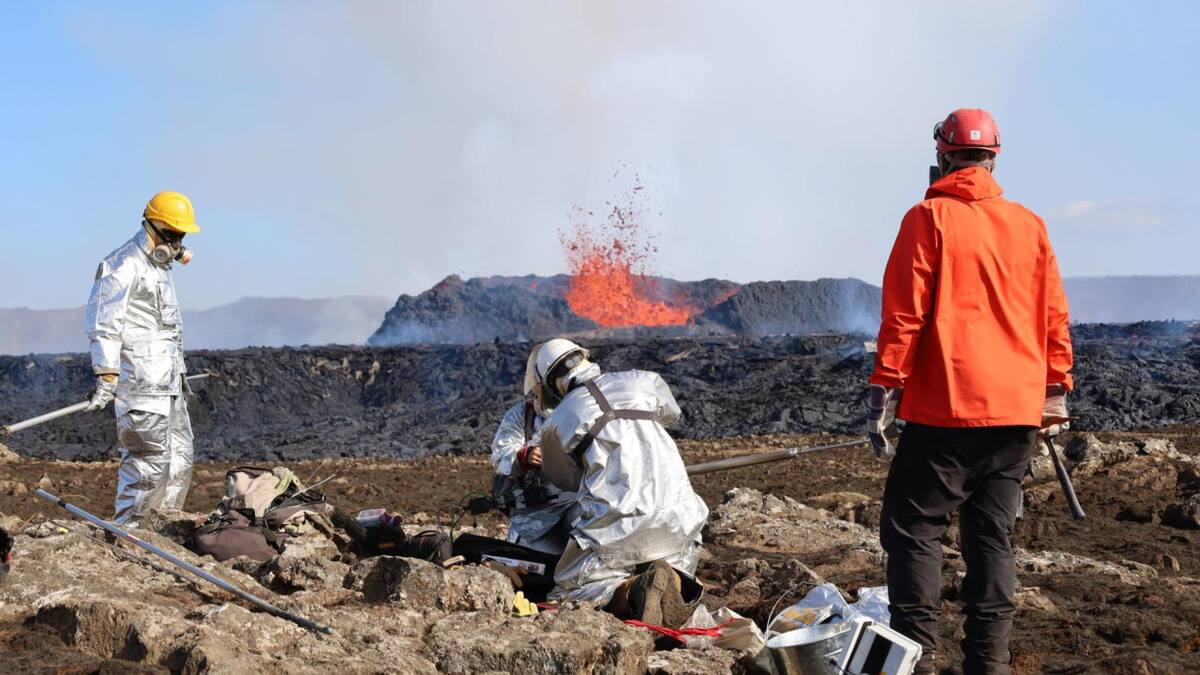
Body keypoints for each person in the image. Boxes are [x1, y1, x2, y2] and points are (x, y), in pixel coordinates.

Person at [868, 108, 1073, 675]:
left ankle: (919, 657)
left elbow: (904, 314)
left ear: (942, 154)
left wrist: (885, 387)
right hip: (1016, 413)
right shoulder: (1029, 224)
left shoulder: (927, 217)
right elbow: (1054, 313)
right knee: (992, 535)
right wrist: (1056, 388)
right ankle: (990, 663)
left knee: (913, 529)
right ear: (994, 156)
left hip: (945, 411)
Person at [532, 338, 708, 627]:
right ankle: (672, 579)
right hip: (682, 521)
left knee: (568, 592)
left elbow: (565, 480)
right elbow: (672, 414)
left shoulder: (559, 419)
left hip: (619, 528)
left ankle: (630, 590)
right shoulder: (644, 380)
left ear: (553, 383)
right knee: (671, 556)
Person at [85, 191, 201, 526]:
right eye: (174, 235)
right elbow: (104, 323)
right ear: (154, 227)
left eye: (182, 236)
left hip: (168, 385)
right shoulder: (122, 265)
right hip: (140, 387)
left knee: (178, 459)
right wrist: (106, 374)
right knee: (147, 468)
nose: (178, 243)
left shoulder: (160, 268)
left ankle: (163, 532)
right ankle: (131, 538)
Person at [487, 344, 575, 555]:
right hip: (532, 520)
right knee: (532, 567)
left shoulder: (582, 414)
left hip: (577, 513)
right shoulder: (522, 416)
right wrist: (524, 457)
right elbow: (500, 454)